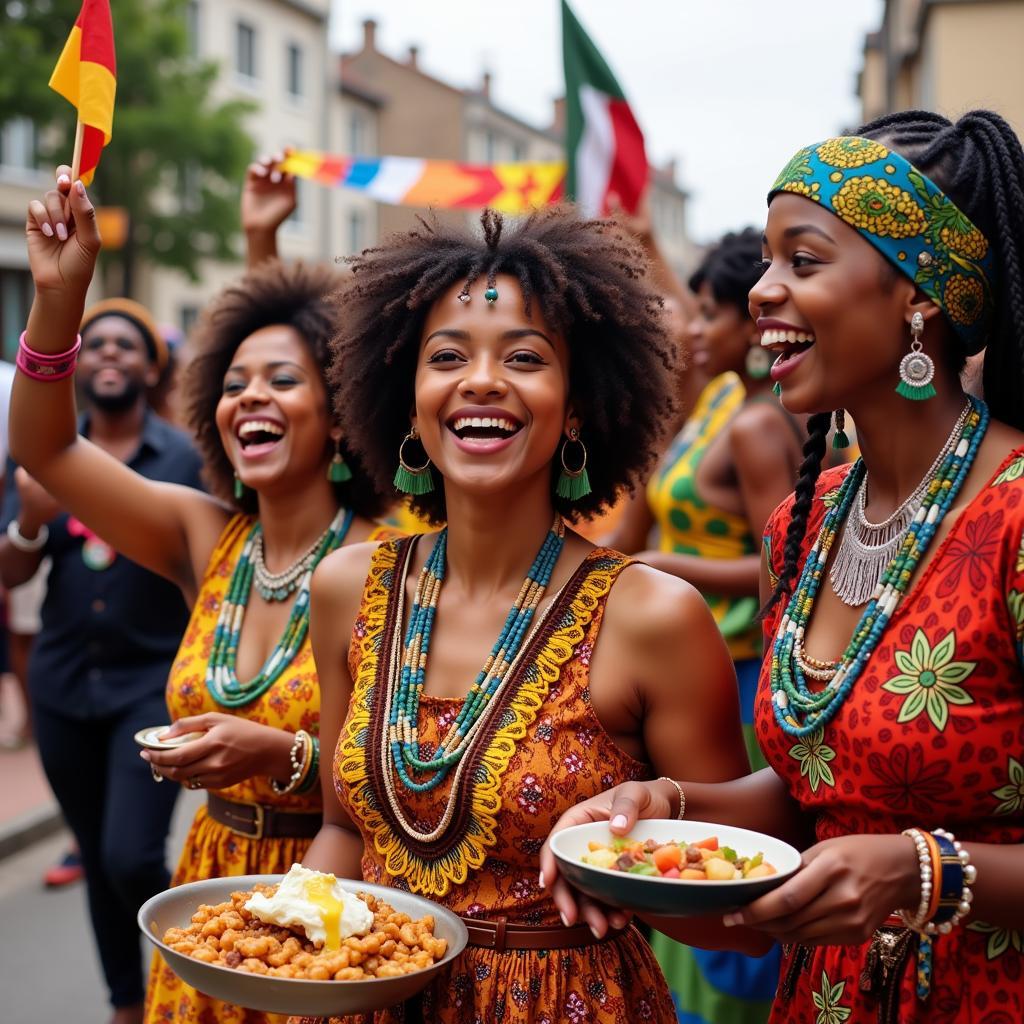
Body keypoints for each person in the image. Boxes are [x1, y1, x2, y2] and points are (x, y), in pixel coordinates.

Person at [542, 109, 1024, 1023]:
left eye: (802, 261)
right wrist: (666, 803)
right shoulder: (802, 525)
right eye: (766, 260)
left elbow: (890, 846)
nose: (763, 291)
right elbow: (822, 795)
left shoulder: (1015, 514)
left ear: (919, 294)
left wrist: (924, 874)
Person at [294, 205, 760, 1024]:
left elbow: (737, 918)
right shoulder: (345, 589)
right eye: (447, 357)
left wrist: (621, 868)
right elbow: (343, 833)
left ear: (576, 406)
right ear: (408, 402)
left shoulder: (652, 617)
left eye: (524, 357)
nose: (481, 379)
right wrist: (289, 937)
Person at [16, 166, 392, 1024]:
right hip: (212, 890)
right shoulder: (203, 535)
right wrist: (58, 297)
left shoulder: (390, 559)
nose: (251, 395)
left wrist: (278, 756)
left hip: (345, 907)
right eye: (233, 384)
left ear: (339, 416)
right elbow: (43, 447)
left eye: (283, 381)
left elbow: (405, 777)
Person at [608, 227, 804, 1024]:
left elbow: (783, 567)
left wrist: (667, 567)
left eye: (713, 313)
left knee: (719, 873)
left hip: (739, 669)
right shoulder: (714, 407)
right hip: (684, 667)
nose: (698, 327)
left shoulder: (757, 425)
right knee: (673, 862)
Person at [0, 295, 203, 1023]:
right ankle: (126, 1001)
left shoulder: (183, 459)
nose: (109, 354)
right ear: (78, 363)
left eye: (127, 346)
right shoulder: (42, 452)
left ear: (151, 368)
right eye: (97, 344)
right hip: (61, 687)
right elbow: (10, 574)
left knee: (128, 855)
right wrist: (28, 517)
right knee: (93, 850)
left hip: (149, 687)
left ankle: (187, 975)